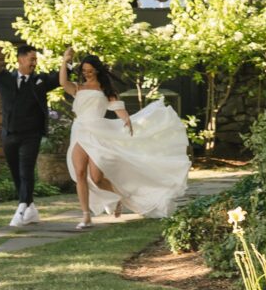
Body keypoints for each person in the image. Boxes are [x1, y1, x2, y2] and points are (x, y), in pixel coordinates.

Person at [59, 48, 190, 229]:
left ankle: (119, 195)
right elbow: (63, 81)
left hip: (98, 132)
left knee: (96, 178)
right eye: (84, 71)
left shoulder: (105, 90)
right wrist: (65, 61)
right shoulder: (78, 88)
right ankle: (86, 215)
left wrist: (126, 119)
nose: (86, 74)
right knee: (80, 174)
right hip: (79, 131)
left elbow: (118, 108)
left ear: (96, 70)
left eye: (90, 70)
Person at [0, 42, 60, 228]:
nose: (34, 63)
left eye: (35, 59)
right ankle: (30, 207)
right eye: (31, 59)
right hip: (9, 134)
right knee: (16, 172)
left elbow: (59, 79)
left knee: (26, 171)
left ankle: (21, 208)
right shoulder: (4, 78)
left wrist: (68, 63)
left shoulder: (40, 81)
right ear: (21, 59)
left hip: (31, 135)